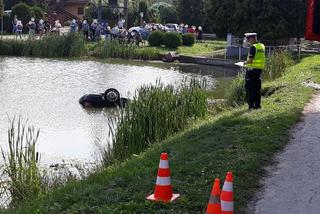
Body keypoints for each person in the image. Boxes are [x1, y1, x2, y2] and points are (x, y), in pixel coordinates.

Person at [244, 33, 266, 110]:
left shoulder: (253, 47)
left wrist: (244, 63)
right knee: (257, 89)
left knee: (249, 89)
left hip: (251, 71)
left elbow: (250, 61)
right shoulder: (262, 46)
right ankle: (257, 105)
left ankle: (251, 106)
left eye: (248, 39)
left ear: (252, 39)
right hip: (259, 70)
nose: (247, 41)